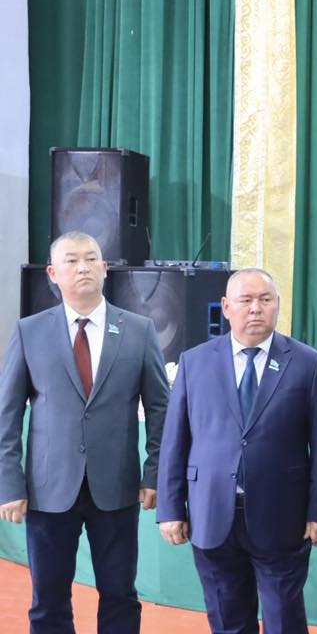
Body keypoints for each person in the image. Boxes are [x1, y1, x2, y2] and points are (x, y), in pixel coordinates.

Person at [0, 231, 168, 632]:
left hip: (117, 489)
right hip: (48, 490)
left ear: (105, 269)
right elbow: (7, 416)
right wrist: (9, 483)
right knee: (48, 600)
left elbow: (161, 410)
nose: (83, 268)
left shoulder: (139, 330)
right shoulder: (29, 332)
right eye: (71, 261)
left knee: (120, 595)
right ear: (52, 273)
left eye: (91, 259)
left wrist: (155, 473)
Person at [156, 268, 317, 633]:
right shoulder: (195, 361)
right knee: (228, 620)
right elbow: (176, 440)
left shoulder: (307, 362)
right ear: (226, 307)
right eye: (246, 300)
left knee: (284, 619)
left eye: (265, 300)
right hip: (211, 513)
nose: (256, 308)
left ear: (277, 305)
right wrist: (170, 508)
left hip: (282, 516)